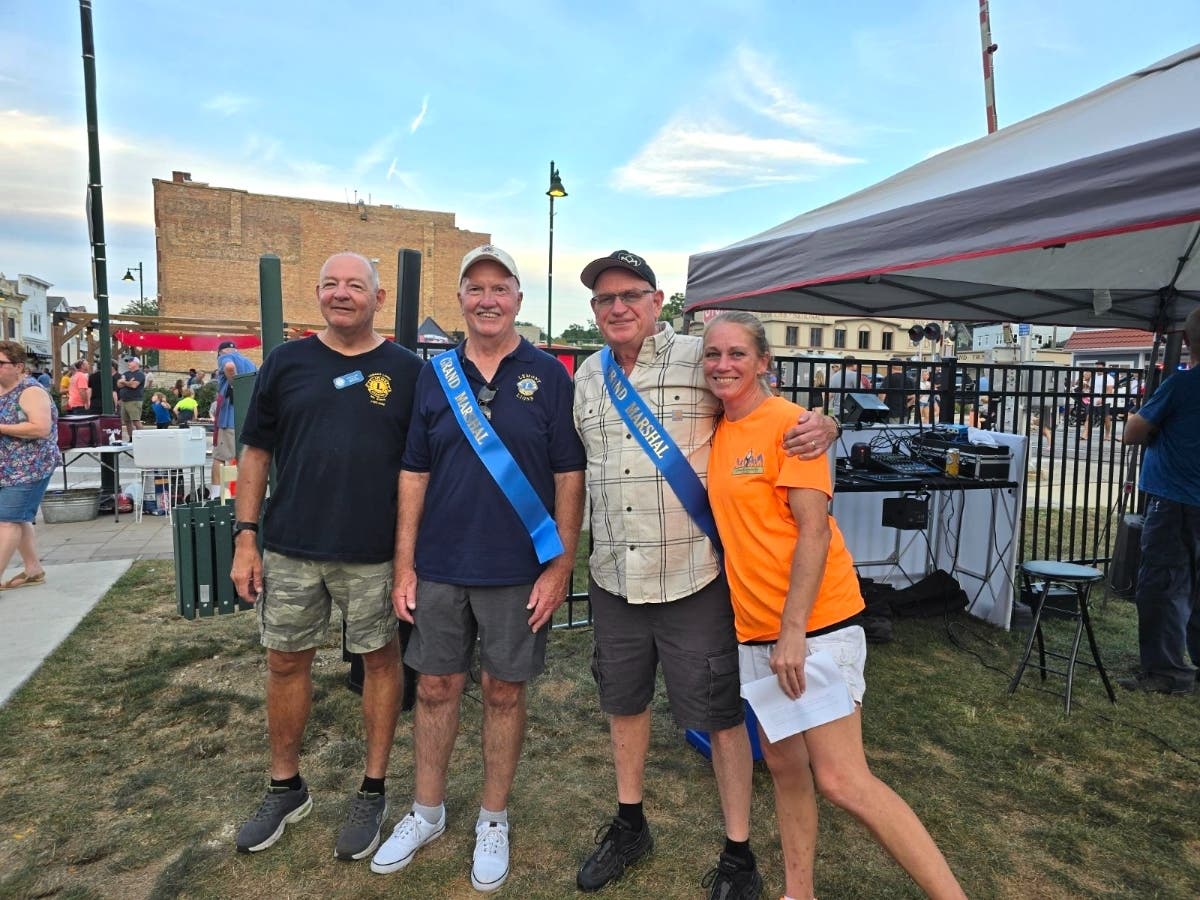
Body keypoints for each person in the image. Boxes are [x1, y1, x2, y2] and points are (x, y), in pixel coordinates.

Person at [571, 250, 838, 898]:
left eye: (631, 294)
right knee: (624, 704)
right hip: (614, 576)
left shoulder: (699, 358)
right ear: (595, 311)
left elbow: (770, 415)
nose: (619, 308)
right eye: (605, 299)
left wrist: (826, 424)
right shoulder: (585, 374)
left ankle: (738, 853)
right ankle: (630, 823)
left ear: (656, 300)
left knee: (720, 716)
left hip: (694, 576)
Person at [702, 312, 966, 900]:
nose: (723, 365)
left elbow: (814, 531)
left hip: (815, 626)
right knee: (787, 769)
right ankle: (801, 892)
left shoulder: (791, 426)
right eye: (713, 354)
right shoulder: (719, 428)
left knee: (844, 780)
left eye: (737, 354)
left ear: (764, 361)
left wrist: (793, 631)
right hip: (755, 633)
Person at [372, 246, 585, 892]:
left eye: (500, 287)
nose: (487, 299)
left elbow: (569, 477)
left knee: (503, 691)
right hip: (440, 566)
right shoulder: (435, 376)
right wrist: (405, 563)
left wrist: (560, 568)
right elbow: (415, 471)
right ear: (461, 299)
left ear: (518, 298)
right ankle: (427, 811)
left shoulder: (549, 376)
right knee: (434, 689)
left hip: (519, 569)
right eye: (475, 288)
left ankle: (494, 817)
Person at [230, 252, 424, 860]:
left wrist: (408, 556)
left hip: (372, 552)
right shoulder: (286, 363)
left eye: (355, 286)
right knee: (286, 664)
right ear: (316, 293)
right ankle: (285, 786)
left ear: (379, 297)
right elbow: (256, 451)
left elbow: (419, 467)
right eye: (330, 284)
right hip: (291, 547)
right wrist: (245, 535)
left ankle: (373, 787)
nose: (342, 294)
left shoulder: (408, 370)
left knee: (379, 664)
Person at [1119, 307, 1200, 694]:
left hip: (1177, 500)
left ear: (1185, 342)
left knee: (1164, 585)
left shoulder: (1182, 385)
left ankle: (1167, 673)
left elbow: (1133, 432)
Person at [0, 341, 61, 591]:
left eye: (1, 364)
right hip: (7, 467)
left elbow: (40, 427)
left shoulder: (31, 391)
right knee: (20, 518)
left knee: (7, 521)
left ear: (18, 366)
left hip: (30, 466)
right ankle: (33, 569)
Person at [211, 341, 257, 500]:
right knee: (242, 458)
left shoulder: (226, 357)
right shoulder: (250, 362)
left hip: (229, 419)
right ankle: (243, 494)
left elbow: (229, 367)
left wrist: (234, 384)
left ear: (220, 352)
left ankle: (218, 497)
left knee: (221, 458)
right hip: (246, 419)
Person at [116, 357, 146, 440]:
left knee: (136, 421)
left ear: (136, 363)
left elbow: (134, 385)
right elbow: (119, 384)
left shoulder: (140, 374)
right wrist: (128, 382)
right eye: (128, 361)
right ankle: (131, 438)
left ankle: (143, 438)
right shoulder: (125, 373)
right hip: (124, 401)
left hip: (134, 400)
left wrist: (124, 382)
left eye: (130, 361)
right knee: (127, 421)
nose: (128, 363)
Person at [879, 359, 915, 423]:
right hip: (905, 413)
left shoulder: (889, 378)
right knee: (903, 431)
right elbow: (918, 395)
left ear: (890, 367)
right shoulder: (909, 379)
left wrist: (880, 408)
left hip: (891, 413)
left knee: (891, 432)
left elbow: (882, 394)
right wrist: (907, 405)